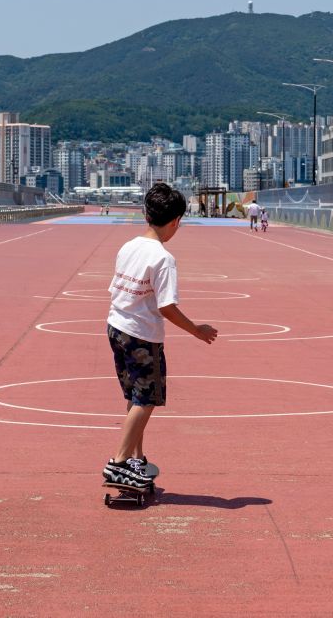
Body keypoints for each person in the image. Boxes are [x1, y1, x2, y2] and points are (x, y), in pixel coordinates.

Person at [102, 182, 217, 491]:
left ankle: (135, 458)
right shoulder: (163, 259)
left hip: (116, 327)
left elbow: (117, 288)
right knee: (146, 399)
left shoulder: (129, 246)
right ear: (176, 221)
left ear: (146, 214)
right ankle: (118, 463)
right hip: (141, 335)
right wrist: (197, 331)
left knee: (134, 397)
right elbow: (166, 306)